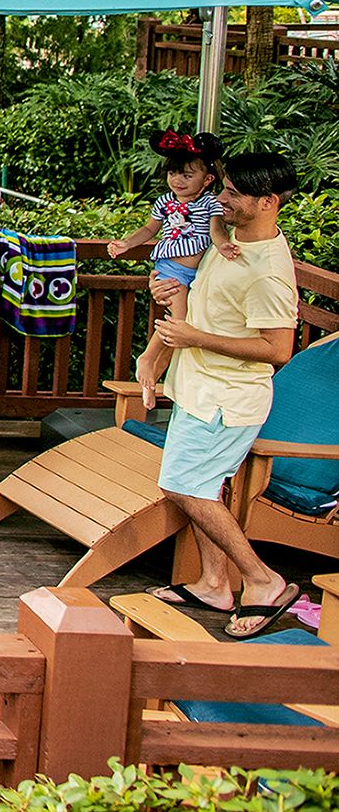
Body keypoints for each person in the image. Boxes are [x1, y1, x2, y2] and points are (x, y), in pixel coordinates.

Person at [138, 152, 302, 639]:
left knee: (184, 486)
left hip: (228, 401)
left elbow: (277, 349)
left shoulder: (267, 272)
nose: (220, 198)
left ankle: (263, 581)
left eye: (232, 193)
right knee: (201, 486)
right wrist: (158, 344)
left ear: (267, 201)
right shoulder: (227, 241)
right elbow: (193, 302)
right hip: (198, 389)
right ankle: (214, 584)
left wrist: (193, 338)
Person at [113, 131, 232, 408]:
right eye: (173, 174)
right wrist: (126, 244)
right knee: (179, 322)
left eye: (187, 175)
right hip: (172, 269)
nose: (178, 180)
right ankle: (147, 359)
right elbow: (149, 230)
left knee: (181, 326)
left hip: (197, 275)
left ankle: (151, 379)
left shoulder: (211, 203)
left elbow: (217, 231)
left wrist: (224, 246)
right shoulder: (164, 202)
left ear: (208, 179)